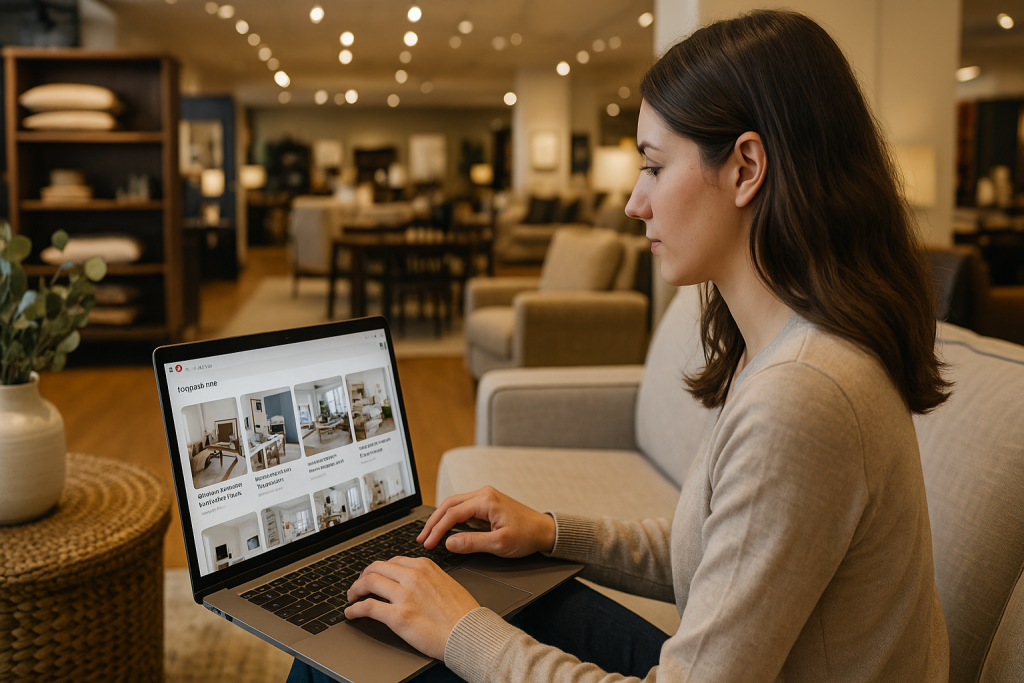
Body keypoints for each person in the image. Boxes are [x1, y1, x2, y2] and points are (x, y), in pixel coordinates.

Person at [288, 9, 950, 682]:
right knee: (445, 600)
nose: (636, 201)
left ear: (747, 166)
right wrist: (546, 530)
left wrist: (461, 631)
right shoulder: (782, 346)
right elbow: (712, 554)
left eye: (655, 167)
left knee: (358, 644)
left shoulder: (804, 396)